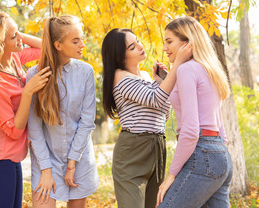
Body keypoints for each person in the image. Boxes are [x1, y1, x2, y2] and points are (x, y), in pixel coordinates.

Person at [101, 28, 192, 208]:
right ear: (119, 56)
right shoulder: (120, 78)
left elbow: (163, 113)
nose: (140, 47)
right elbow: (155, 99)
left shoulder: (143, 76)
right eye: (132, 47)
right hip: (133, 149)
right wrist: (176, 66)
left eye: (138, 41)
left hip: (157, 145)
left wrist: (160, 81)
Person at [0, 12, 51, 208]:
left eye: (18, 34)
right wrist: (28, 91)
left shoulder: (14, 59)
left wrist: (16, 34)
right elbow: (14, 131)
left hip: (11, 158)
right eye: (13, 37)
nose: (20, 40)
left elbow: (46, 49)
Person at [156, 16, 233, 208]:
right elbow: (218, 123)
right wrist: (162, 80)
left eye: (169, 41)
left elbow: (191, 130)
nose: (165, 48)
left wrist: (171, 176)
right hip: (220, 155)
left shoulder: (187, 70)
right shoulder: (209, 69)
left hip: (202, 154)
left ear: (186, 43)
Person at [26, 15, 99, 208]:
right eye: (75, 41)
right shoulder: (35, 74)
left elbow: (87, 122)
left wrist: (72, 163)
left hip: (79, 159)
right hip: (46, 161)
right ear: (58, 45)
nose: (82, 44)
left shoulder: (86, 72)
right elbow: (34, 129)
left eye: (81, 39)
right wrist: (46, 170)